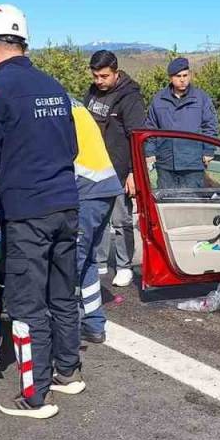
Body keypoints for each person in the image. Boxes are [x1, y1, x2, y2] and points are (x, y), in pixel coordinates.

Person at [0, 4, 83, 419]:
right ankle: (67, 371)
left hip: (26, 211)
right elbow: (71, 147)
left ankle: (34, 395)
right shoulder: (54, 87)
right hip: (65, 204)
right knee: (62, 292)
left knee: (25, 304)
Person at [85, 50, 145, 288]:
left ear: (116, 73)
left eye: (104, 76)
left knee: (121, 221)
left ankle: (124, 265)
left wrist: (133, 171)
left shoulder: (130, 98)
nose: (99, 81)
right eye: (96, 76)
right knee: (97, 217)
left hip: (120, 168)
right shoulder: (92, 93)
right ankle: (98, 260)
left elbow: (137, 137)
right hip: (94, 167)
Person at [70, 97, 122, 343]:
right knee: (88, 259)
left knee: (69, 265)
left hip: (86, 191)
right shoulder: (74, 104)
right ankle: (93, 324)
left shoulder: (51, 107)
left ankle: (63, 331)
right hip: (105, 187)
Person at [144, 57, 219, 190]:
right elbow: (151, 128)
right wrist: (150, 153)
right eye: (178, 76)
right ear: (170, 78)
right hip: (166, 162)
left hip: (192, 163)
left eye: (185, 75)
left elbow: (210, 126)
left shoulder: (201, 98)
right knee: (166, 204)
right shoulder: (159, 100)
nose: (183, 79)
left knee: (192, 203)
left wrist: (208, 150)